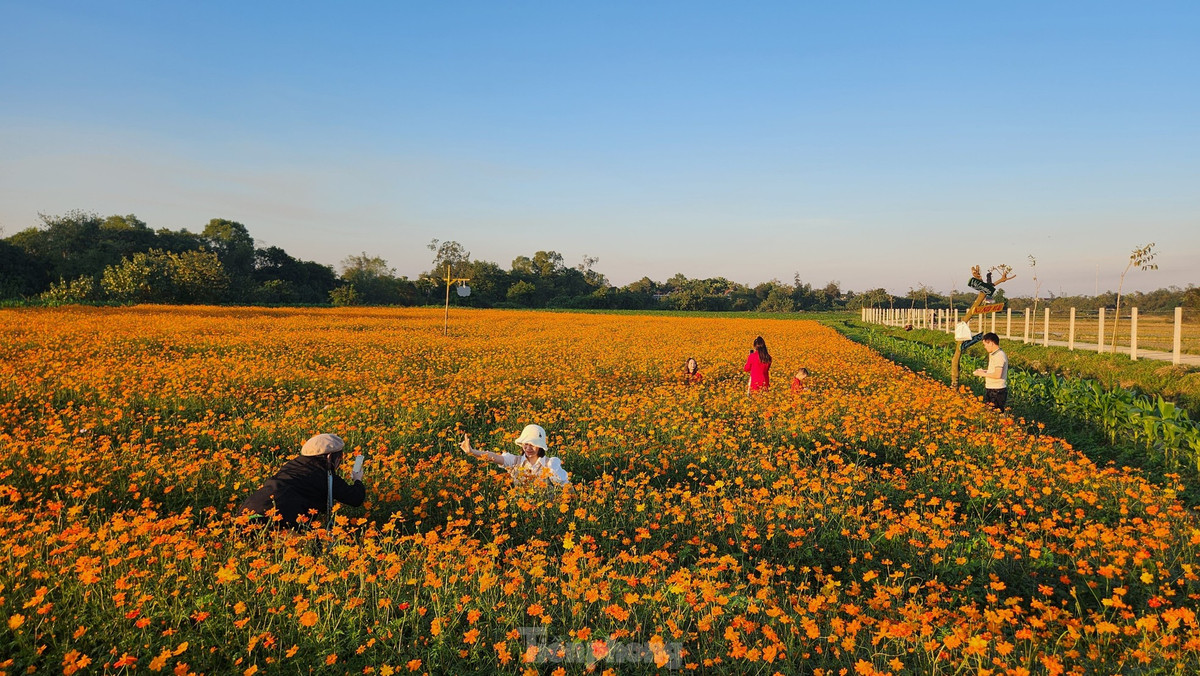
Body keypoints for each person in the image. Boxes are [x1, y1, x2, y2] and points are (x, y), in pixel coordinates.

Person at [239, 433, 365, 528]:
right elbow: (355, 498)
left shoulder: (292, 465)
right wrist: (357, 480)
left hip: (246, 514)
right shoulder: (324, 475)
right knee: (314, 548)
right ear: (329, 457)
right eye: (340, 458)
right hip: (278, 520)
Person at [461, 424, 569, 487]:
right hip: (523, 509)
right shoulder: (515, 461)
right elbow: (494, 457)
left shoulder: (550, 463)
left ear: (540, 446)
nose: (528, 448)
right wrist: (472, 452)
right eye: (525, 444)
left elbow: (564, 485)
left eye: (533, 445)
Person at [972, 333, 1008, 411]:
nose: (985, 347)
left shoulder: (999, 356)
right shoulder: (994, 354)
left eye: (985, 344)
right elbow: (995, 371)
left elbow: (998, 375)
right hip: (992, 389)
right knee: (990, 413)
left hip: (997, 391)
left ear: (991, 343)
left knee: (995, 414)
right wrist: (984, 371)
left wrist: (982, 374)